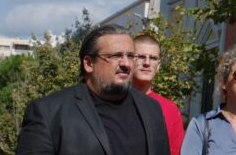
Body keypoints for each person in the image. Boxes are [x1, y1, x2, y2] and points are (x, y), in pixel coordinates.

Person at [16, 23, 171, 155]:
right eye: (116, 56)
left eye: (130, 56)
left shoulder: (151, 109)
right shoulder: (48, 113)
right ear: (89, 63)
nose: (126, 64)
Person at [133, 33, 185, 155]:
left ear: (159, 65)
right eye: (140, 57)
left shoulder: (170, 109)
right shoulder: (113, 101)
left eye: (153, 58)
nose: (147, 63)